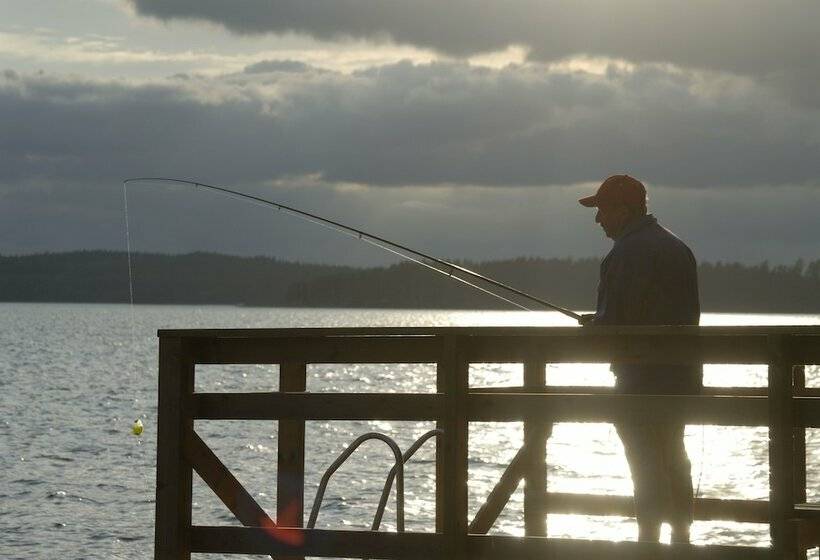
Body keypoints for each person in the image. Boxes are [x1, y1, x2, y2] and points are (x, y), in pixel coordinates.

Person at [578, 174, 701, 543]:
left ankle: (647, 540)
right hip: (681, 377)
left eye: (602, 210)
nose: (598, 219)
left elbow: (616, 322)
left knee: (644, 461)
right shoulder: (676, 246)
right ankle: (681, 537)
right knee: (673, 453)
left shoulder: (627, 253)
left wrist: (595, 328)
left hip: (640, 377)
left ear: (624, 210)